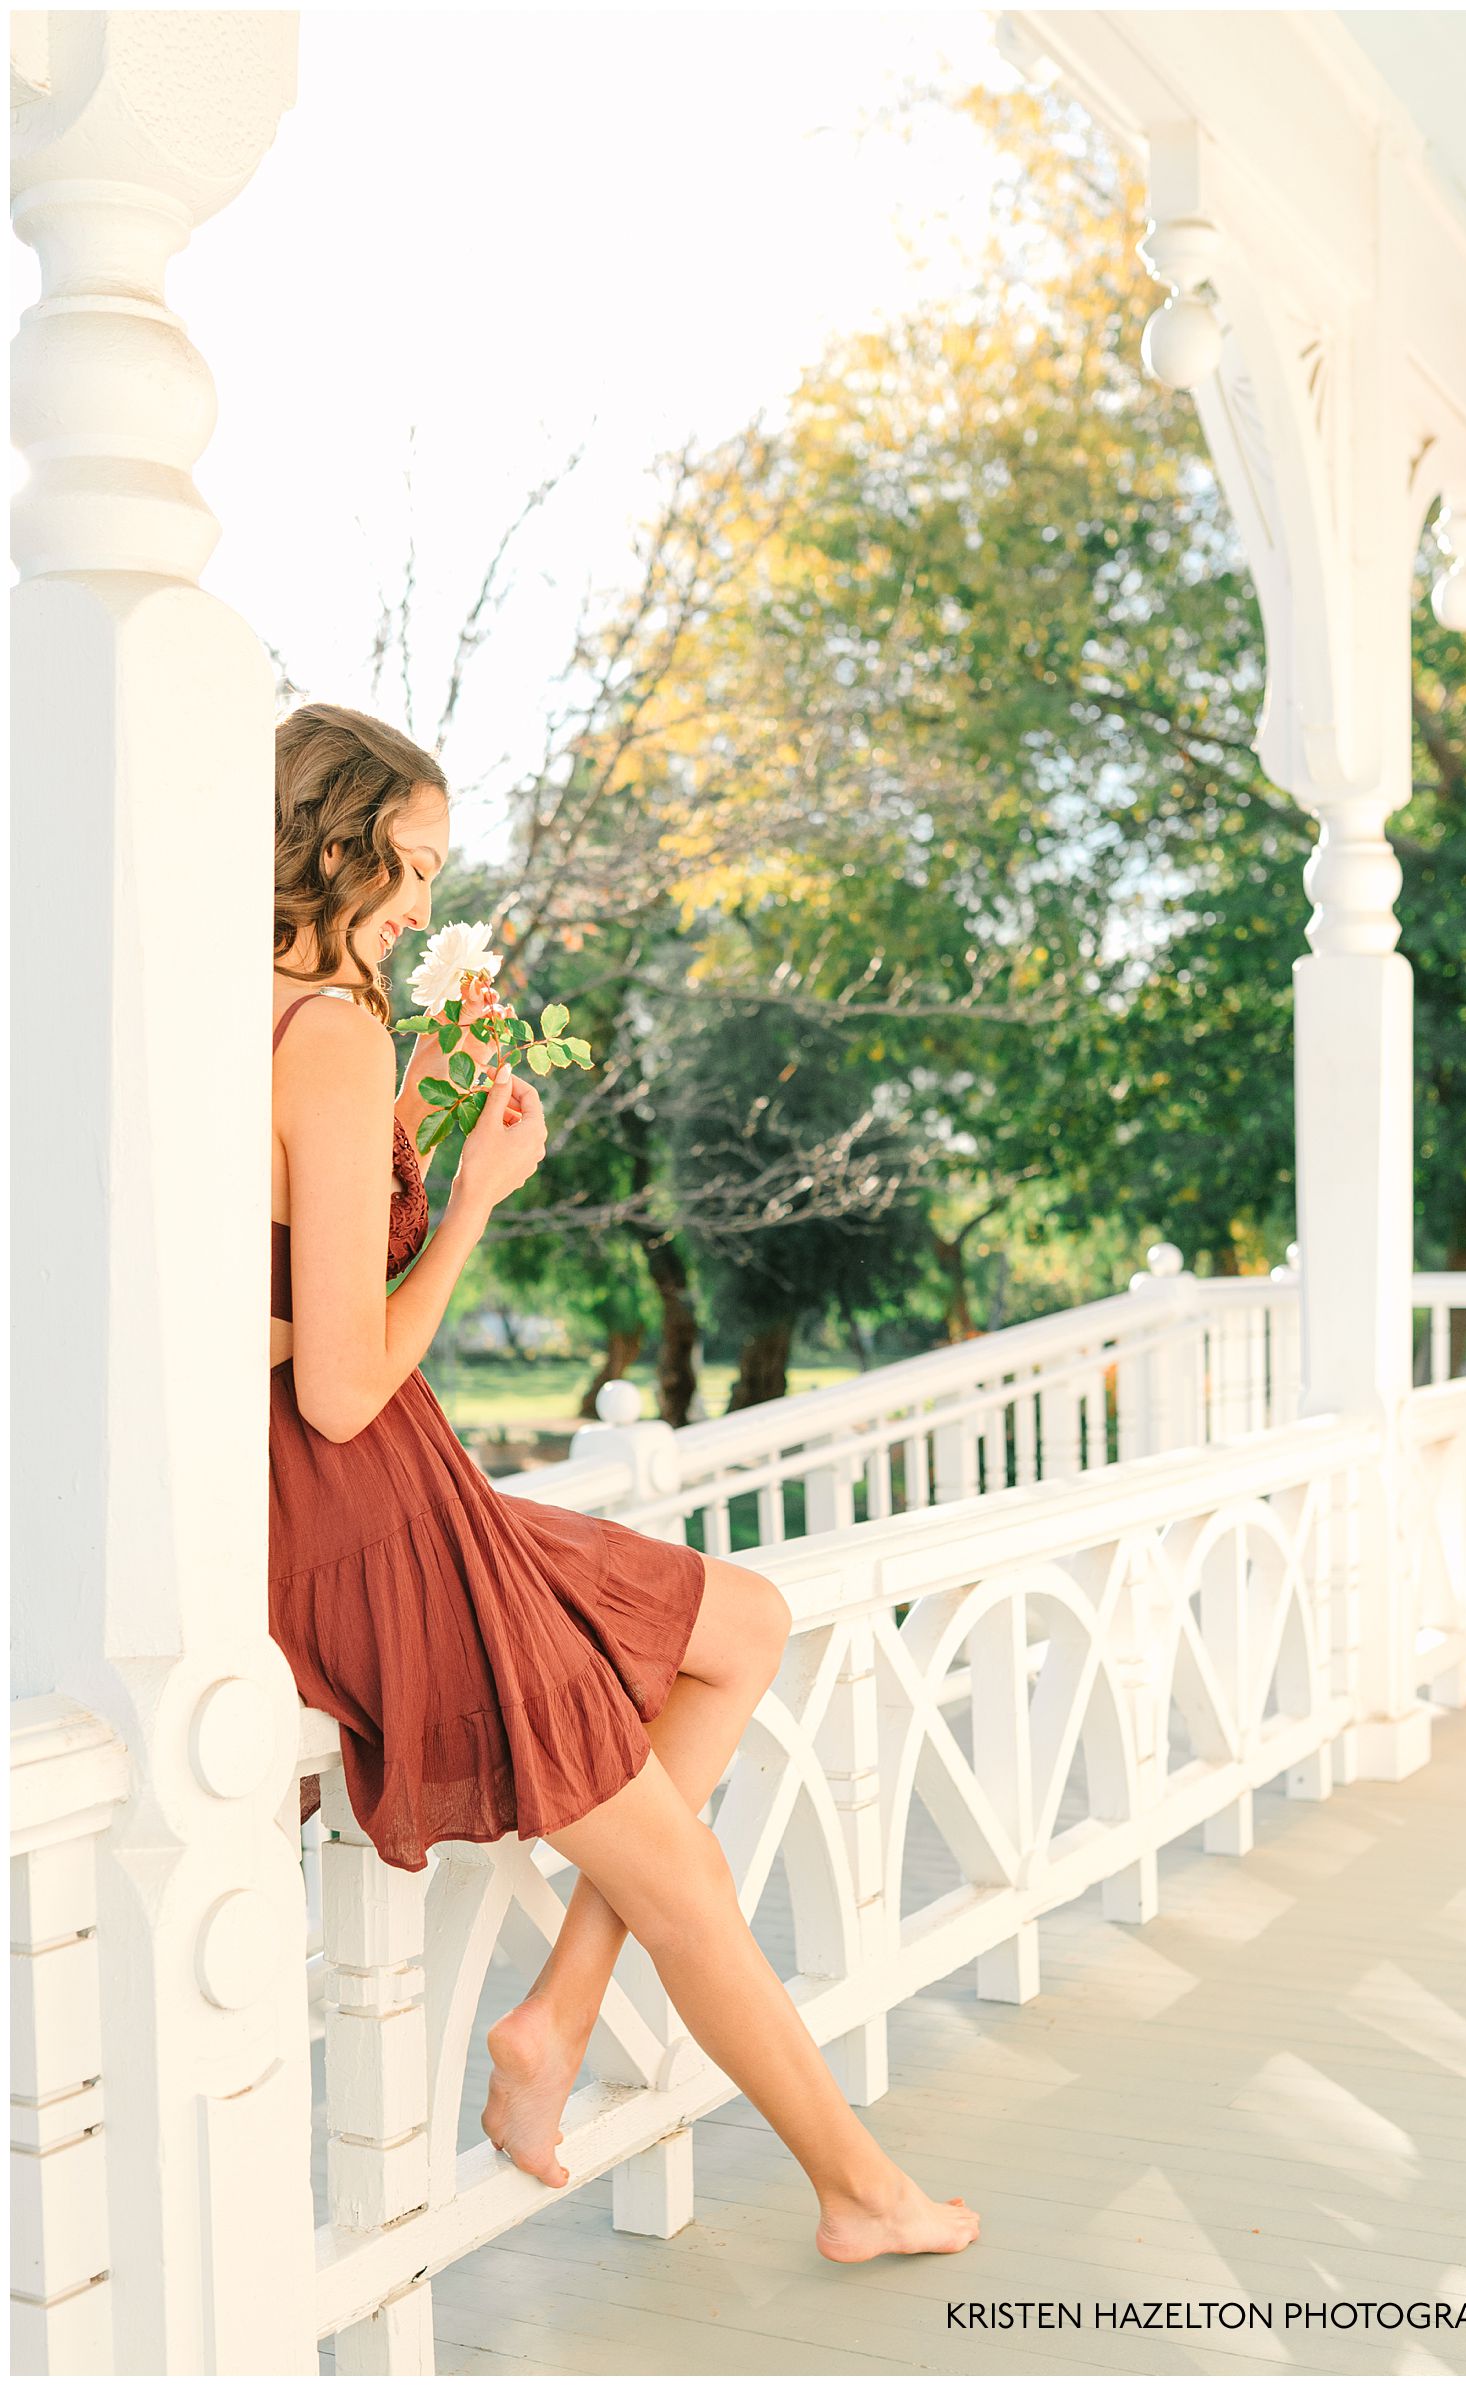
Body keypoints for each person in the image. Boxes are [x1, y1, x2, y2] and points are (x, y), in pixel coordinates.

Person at [269, 701, 979, 2263]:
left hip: (375, 1492)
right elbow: (336, 1385)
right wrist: (467, 1207)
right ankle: (862, 2193)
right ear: (331, 844)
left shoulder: (259, 1017)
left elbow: (277, 1302)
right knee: (680, 1870)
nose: (423, 904)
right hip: (363, 1507)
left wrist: (422, 1108)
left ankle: (555, 2013)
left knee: (744, 1618)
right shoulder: (321, 1032)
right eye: (407, 865)